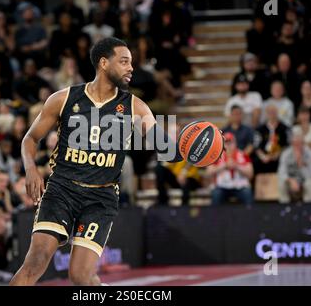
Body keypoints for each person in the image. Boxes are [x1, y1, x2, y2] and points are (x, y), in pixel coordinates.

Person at [10, 37, 182, 286]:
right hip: (61, 190)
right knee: (36, 261)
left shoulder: (135, 106)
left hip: (100, 198)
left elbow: (164, 148)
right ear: (104, 63)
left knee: (80, 276)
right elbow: (30, 138)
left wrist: (191, 149)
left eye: (131, 63)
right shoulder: (64, 98)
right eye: (124, 62)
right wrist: (31, 169)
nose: (131, 68)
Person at [206, 133, 254, 205]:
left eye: (231, 143)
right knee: (216, 194)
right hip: (222, 186)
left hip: (240, 186)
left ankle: (249, 214)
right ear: (223, 144)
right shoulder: (216, 155)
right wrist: (224, 166)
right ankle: (215, 215)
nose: (229, 145)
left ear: (235, 143)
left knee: (247, 193)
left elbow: (250, 174)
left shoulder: (243, 155)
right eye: (226, 143)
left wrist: (236, 166)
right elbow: (209, 172)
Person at [277, 131, 311, 204]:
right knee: (281, 182)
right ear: (292, 144)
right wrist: (291, 180)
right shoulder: (286, 154)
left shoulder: (310, 154)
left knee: (310, 183)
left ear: (303, 143)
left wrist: (300, 164)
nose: (297, 146)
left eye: (300, 144)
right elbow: (281, 172)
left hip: (303, 180)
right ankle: (284, 204)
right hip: (290, 180)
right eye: (295, 144)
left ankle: (308, 205)